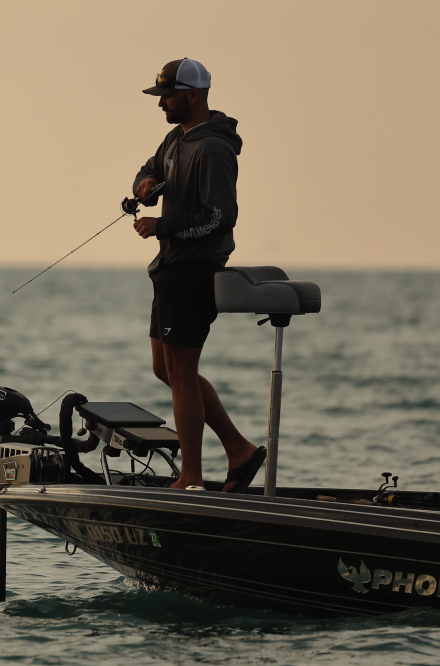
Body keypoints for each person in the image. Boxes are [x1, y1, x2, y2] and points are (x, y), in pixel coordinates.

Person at [130, 58, 266, 492]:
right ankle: (239, 449)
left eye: (168, 96)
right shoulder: (176, 138)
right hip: (170, 269)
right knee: (165, 369)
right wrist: (145, 184)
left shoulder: (213, 149)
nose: (161, 103)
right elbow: (149, 167)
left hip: (194, 270)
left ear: (193, 94)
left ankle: (192, 475)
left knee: (182, 373)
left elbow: (220, 218)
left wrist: (163, 226)